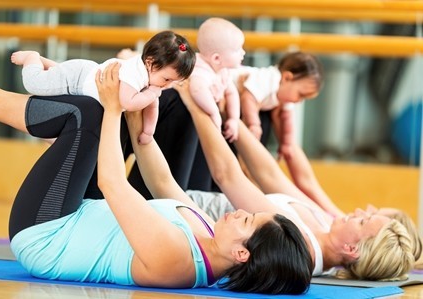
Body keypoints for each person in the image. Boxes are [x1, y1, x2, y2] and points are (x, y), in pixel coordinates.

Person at [0, 65, 313, 294]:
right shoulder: (212, 236)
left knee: (88, 115)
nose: (240, 212)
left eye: (248, 221)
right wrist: (136, 119)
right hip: (79, 212)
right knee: (106, 105)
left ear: (242, 254)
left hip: (46, 233)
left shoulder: (178, 261)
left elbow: (112, 182)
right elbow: (163, 183)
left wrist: (112, 108)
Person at [173, 79, 416, 281]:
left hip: (179, 205)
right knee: (262, 113)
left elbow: (227, 175)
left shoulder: (297, 241)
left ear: (351, 250)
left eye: (364, 222)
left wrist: (199, 107)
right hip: (201, 190)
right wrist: (231, 117)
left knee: (177, 105)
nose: (361, 211)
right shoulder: (324, 228)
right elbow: (271, 176)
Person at [10, 30, 196, 145]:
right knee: (34, 84)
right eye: (166, 79)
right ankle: (32, 58)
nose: (168, 86)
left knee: (57, 74)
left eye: (173, 82)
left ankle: (46, 64)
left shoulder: (151, 80)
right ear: (150, 63)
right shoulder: (135, 73)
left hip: (87, 76)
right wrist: (153, 93)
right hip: (78, 78)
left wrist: (148, 131)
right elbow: (128, 102)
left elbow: (152, 106)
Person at [232, 52, 323, 158]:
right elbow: (248, 97)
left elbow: (287, 120)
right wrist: (254, 124)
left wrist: (286, 144)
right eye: (300, 95)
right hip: (224, 83)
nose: (300, 101)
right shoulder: (270, 78)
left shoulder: (285, 95)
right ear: (287, 78)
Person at [189, 17, 245, 143]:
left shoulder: (223, 71)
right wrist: (214, 112)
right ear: (216, 59)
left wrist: (233, 119)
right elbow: (197, 90)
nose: (243, 53)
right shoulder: (201, 70)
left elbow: (231, 93)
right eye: (238, 50)